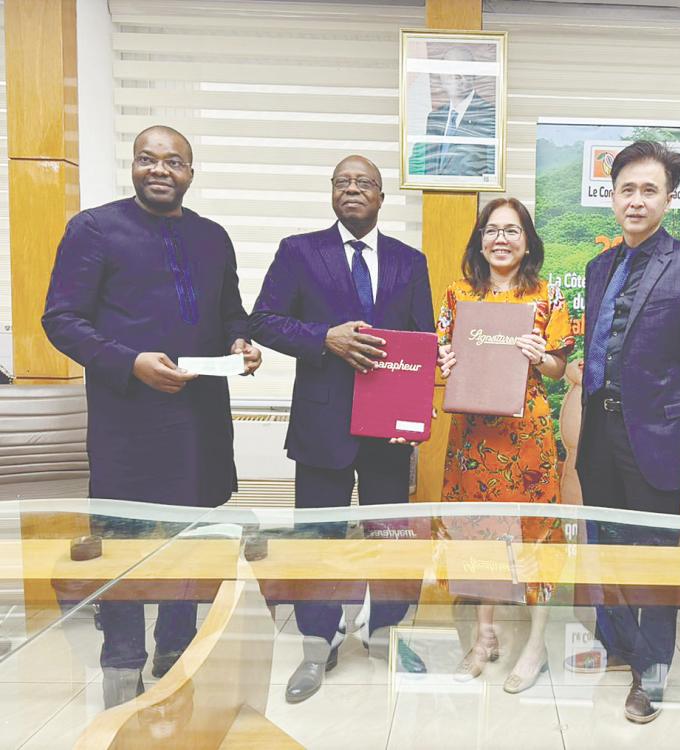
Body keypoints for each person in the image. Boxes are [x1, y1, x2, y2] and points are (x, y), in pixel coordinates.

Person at [42, 125, 261, 707]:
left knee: (190, 540)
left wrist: (242, 344)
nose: (161, 170)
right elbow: (61, 319)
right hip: (128, 422)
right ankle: (121, 661)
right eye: (148, 159)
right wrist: (128, 361)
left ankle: (175, 652)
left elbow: (230, 313)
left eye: (174, 162)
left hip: (199, 419)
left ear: (191, 172)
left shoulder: (214, 238)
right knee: (125, 540)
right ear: (134, 167)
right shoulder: (93, 229)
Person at [250, 154, 434, 704]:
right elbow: (264, 320)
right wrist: (322, 338)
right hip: (322, 420)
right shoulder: (299, 251)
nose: (353, 189)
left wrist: (416, 419)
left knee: (390, 538)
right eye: (343, 182)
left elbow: (421, 342)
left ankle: (386, 635)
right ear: (332, 193)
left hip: (388, 427)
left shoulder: (409, 260)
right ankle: (317, 643)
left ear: (381, 198)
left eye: (365, 183)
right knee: (318, 538)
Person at [573, 141, 680, 723]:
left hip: (658, 438)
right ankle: (620, 645)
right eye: (626, 189)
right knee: (606, 548)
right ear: (612, 196)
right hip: (600, 434)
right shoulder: (597, 267)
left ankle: (653, 671)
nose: (636, 200)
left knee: (656, 559)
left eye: (649, 190)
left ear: (669, 197)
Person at [436, 197, 574, 694]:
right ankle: (484, 635)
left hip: (527, 435)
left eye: (512, 230)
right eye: (491, 230)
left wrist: (543, 358)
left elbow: (560, 368)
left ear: (527, 240)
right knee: (477, 532)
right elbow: (442, 357)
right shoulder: (457, 296)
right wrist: (446, 361)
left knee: (534, 533)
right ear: (479, 239)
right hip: (473, 435)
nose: (500, 239)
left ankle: (536, 643)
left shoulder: (546, 295)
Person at [416, 46, 496, 177]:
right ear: (441, 76)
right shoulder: (434, 118)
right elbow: (429, 171)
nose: (456, 76)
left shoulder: (489, 116)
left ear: (474, 75)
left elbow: (493, 174)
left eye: (462, 69)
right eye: (449, 69)